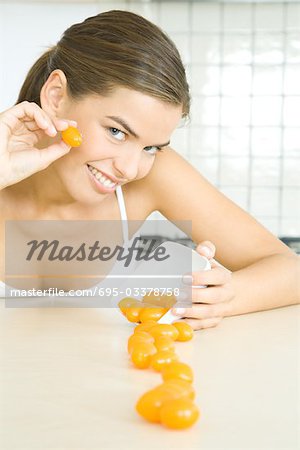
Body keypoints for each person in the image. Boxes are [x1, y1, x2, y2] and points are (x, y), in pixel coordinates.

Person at [0, 10, 299, 329]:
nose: (129, 170)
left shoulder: (153, 176)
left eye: (151, 148)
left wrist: (226, 297)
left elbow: (289, 270)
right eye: (116, 131)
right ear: (56, 96)